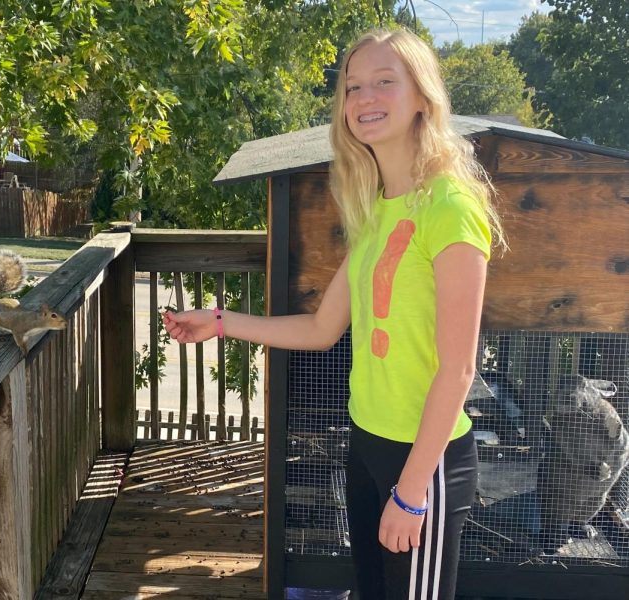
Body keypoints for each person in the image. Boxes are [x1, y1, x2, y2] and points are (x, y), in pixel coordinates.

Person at [162, 27, 505, 600]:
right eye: (353, 87)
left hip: (426, 459)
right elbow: (323, 329)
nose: (364, 99)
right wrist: (219, 322)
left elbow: (458, 370)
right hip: (368, 442)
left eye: (384, 83)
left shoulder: (450, 204)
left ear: (422, 96)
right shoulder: (376, 211)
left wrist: (412, 491)